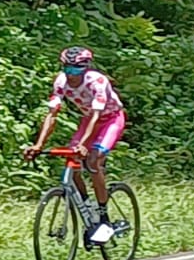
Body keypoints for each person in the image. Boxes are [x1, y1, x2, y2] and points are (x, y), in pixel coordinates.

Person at [22, 46, 126, 243]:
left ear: (85, 68)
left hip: (111, 119)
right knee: (72, 159)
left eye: (75, 70)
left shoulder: (97, 81)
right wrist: (38, 144)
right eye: (67, 69)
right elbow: (52, 114)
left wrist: (85, 144)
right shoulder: (61, 81)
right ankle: (87, 211)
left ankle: (104, 218)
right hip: (89, 120)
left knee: (93, 161)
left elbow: (97, 115)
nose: (71, 75)